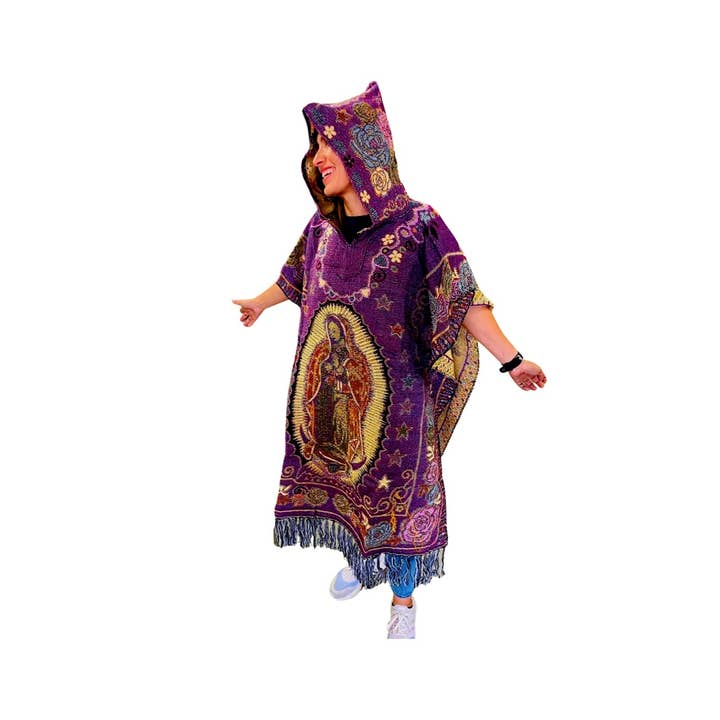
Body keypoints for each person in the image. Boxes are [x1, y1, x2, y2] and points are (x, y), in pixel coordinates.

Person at [233, 81, 546, 639]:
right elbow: (295, 275)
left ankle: (402, 604)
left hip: (399, 403)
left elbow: (462, 295)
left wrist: (512, 359)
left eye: (328, 143)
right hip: (334, 404)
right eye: (314, 146)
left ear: (361, 149)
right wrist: (261, 301)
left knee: (401, 499)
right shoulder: (321, 228)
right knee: (349, 487)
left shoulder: (417, 225)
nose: (317, 157)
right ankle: (361, 561)